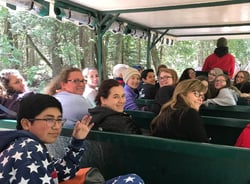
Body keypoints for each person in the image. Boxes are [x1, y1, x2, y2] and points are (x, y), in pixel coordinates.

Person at [0, 94, 144, 184]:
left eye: (59, 120)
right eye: (49, 120)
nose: (57, 126)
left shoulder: (23, 143)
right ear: (26, 123)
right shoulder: (28, 149)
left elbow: (64, 172)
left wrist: (77, 141)